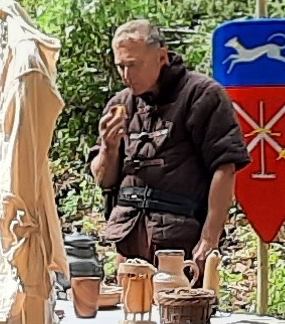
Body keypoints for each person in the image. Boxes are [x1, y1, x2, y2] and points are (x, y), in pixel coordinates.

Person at [89, 19, 247, 276]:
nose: (127, 76)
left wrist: (209, 238)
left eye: (134, 65)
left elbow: (225, 168)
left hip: (180, 238)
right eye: (121, 67)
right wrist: (108, 147)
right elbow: (104, 180)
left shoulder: (202, 94)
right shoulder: (120, 104)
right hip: (128, 235)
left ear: (161, 57)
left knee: (180, 312)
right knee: (131, 312)